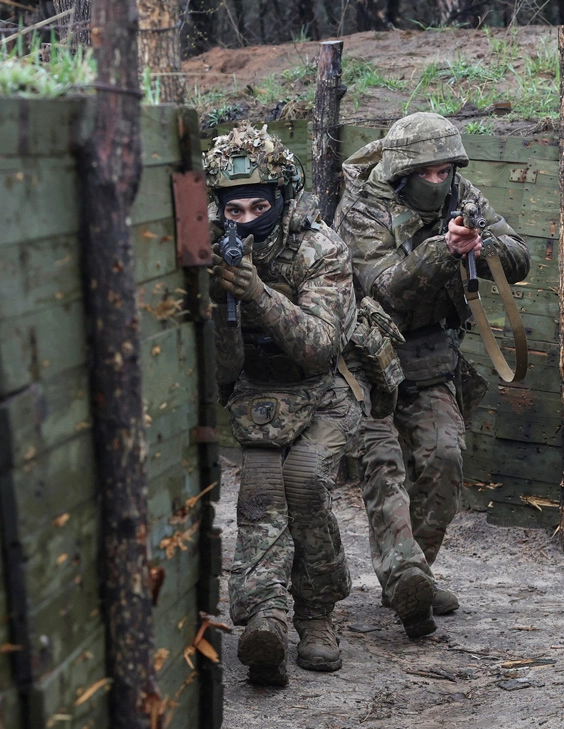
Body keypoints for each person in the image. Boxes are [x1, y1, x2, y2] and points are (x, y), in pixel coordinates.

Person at [334, 112, 530, 633]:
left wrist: (480, 246)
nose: (441, 182)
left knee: (445, 456)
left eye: (447, 171)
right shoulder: (363, 208)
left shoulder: (461, 196)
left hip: (430, 358)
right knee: (384, 467)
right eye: (430, 173)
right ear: (403, 172)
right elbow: (384, 288)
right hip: (366, 362)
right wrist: (442, 250)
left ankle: (413, 573)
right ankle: (404, 577)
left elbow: (520, 256)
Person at [205, 124, 359, 687]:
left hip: (326, 389)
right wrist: (220, 299)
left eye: (258, 206)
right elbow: (222, 373)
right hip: (260, 395)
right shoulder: (213, 253)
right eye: (234, 210)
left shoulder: (320, 248)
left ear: (281, 199)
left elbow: (321, 347)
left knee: (307, 482)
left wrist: (258, 295)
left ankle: (317, 615)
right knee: (261, 490)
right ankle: (263, 618)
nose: (246, 220)